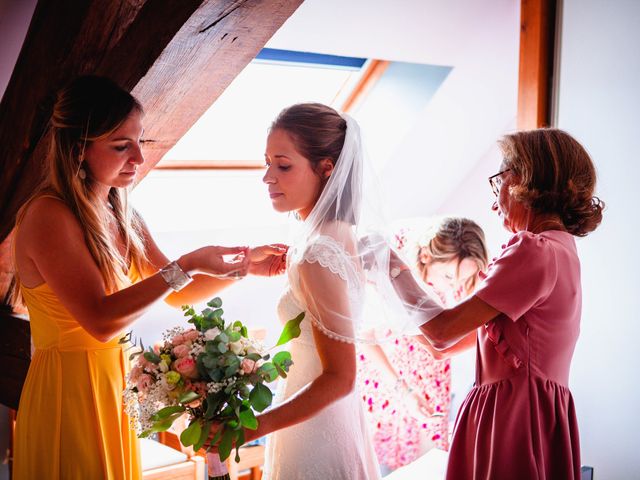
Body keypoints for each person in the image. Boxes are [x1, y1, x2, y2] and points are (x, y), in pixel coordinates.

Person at [11, 75, 286, 480]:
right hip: (66, 390)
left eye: (142, 142)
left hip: (114, 385)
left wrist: (243, 267)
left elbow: (177, 293)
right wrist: (189, 263)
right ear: (79, 149)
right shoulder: (48, 215)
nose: (138, 158)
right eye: (122, 146)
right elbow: (101, 321)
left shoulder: (122, 213)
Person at [388, 128, 604, 479]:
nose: (494, 201)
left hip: (513, 415)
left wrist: (389, 263)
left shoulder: (533, 250)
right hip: (536, 413)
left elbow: (442, 332)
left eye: (498, 182)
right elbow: (444, 346)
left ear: (525, 180)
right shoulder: (564, 250)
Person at [213, 103, 381, 479]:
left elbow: (340, 376)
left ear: (327, 169)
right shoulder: (337, 233)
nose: (267, 177)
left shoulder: (317, 253)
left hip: (315, 429)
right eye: (267, 162)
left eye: (283, 165)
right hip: (330, 418)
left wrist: (249, 428)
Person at [358, 217, 488, 472]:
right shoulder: (392, 260)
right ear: (427, 256)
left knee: (429, 466)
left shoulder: (463, 275)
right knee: (384, 467)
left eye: (464, 278)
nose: (456, 286)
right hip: (387, 379)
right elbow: (364, 335)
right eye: (450, 276)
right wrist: (403, 390)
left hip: (432, 380)